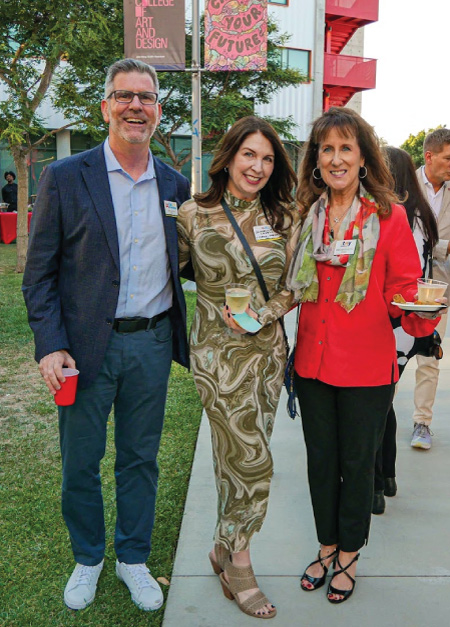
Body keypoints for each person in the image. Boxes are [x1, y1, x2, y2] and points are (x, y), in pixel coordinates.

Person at [22, 58, 190, 612]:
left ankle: (133, 558)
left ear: (158, 112)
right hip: (86, 348)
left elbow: (195, 262)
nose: (135, 106)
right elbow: (39, 274)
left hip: (152, 343)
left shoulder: (175, 184)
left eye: (145, 97)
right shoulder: (66, 177)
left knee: (140, 459)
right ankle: (89, 557)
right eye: (124, 96)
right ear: (105, 107)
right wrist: (50, 344)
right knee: (80, 460)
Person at [287, 107, 442, 604]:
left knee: (357, 464)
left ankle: (349, 553)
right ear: (316, 158)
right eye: (326, 149)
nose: (335, 159)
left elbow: (403, 288)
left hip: (367, 366)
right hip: (312, 360)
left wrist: (423, 314)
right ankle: (325, 545)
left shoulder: (389, 216)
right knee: (319, 461)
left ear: (362, 158)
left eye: (345, 149)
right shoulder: (306, 214)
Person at [177, 116, 300, 619]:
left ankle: (222, 547)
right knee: (253, 461)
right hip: (216, 355)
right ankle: (240, 565)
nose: (258, 166)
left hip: (267, 355)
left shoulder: (287, 215)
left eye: (268, 158)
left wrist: (262, 316)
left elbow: (297, 284)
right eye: (249, 154)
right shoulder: (191, 214)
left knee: (239, 455)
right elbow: (176, 271)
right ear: (227, 157)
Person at [372, 146, 439, 515]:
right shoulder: (419, 217)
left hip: (395, 325)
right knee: (382, 401)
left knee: (374, 406)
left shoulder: (401, 220)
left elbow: (402, 282)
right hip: (405, 328)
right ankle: (388, 477)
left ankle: (377, 484)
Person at [411, 128, 450, 449]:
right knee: (392, 357)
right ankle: (380, 418)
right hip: (402, 287)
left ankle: (421, 423)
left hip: (439, 289)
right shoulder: (405, 185)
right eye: (448, 158)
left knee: (430, 359)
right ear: (429, 156)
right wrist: (442, 246)